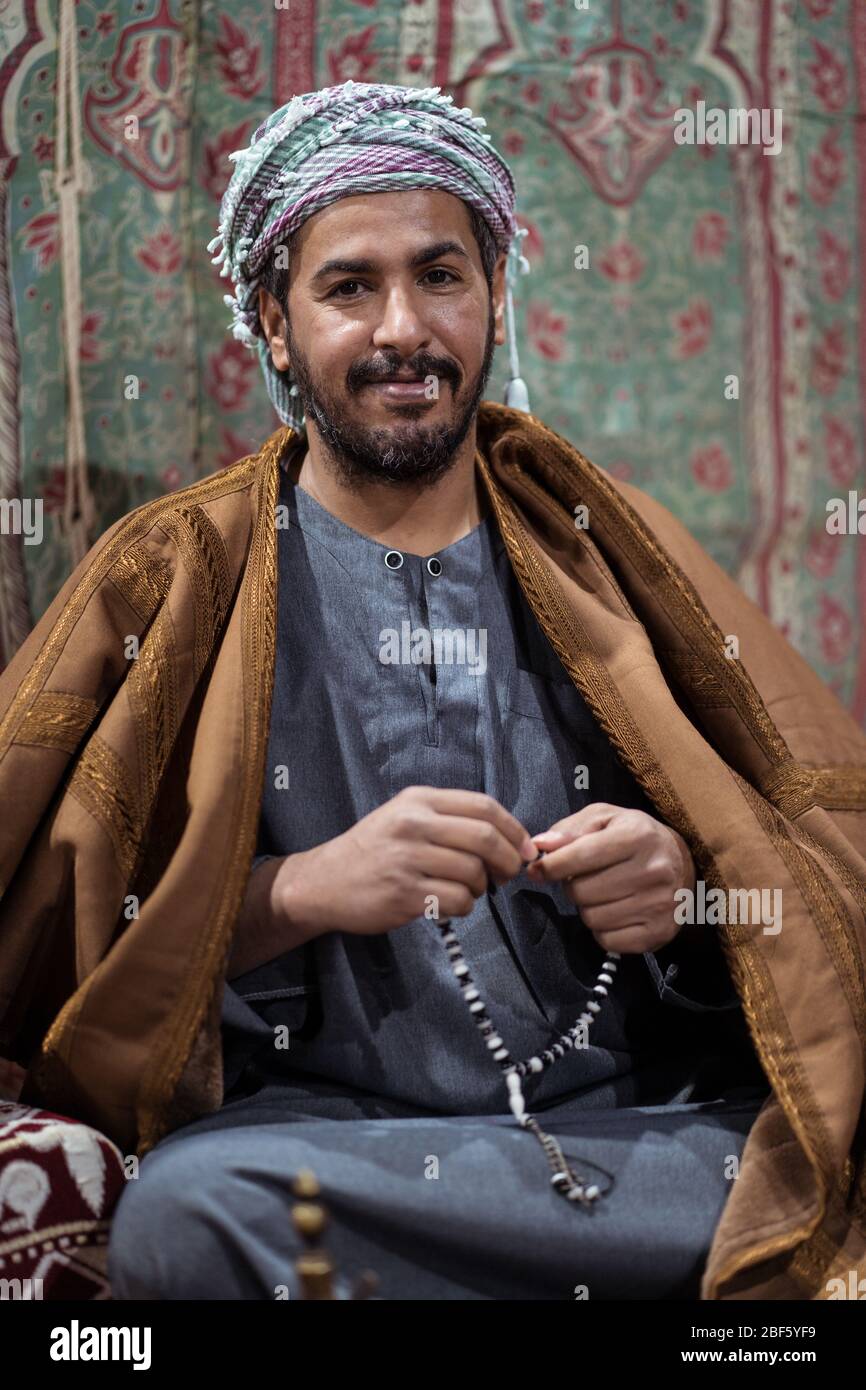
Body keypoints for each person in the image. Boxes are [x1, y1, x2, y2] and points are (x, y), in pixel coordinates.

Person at [1, 82, 865, 1301]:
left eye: (441, 276)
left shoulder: (610, 554)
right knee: (186, 1220)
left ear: (495, 295)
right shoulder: (176, 578)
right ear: (273, 321)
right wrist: (294, 890)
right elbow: (66, 945)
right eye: (349, 287)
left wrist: (684, 889)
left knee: (804, 1173)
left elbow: (809, 886)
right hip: (332, 1150)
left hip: (644, 1139)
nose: (403, 326)